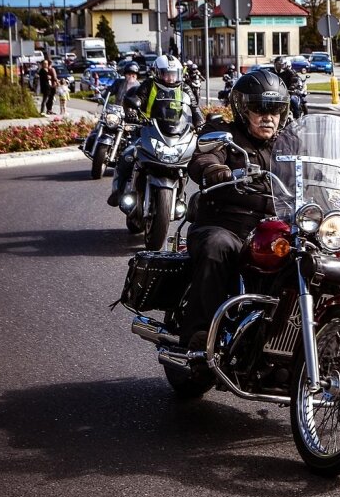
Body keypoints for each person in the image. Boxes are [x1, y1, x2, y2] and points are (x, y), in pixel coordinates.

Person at [179, 70, 290, 348]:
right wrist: (216, 169)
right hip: (227, 225)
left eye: (275, 110)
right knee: (218, 246)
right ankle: (200, 334)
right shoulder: (223, 134)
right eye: (259, 108)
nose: (268, 117)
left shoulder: (289, 143)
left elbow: (315, 168)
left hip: (275, 231)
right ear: (242, 108)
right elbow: (204, 158)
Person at [107, 54, 205, 207]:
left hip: (176, 133)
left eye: (174, 74)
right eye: (167, 74)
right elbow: (138, 98)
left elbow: (194, 108)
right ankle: (118, 192)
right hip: (147, 128)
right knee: (127, 155)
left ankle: (182, 197)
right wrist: (133, 112)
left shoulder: (184, 88)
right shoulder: (149, 84)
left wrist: (201, 123)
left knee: (192, 161)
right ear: (158, 73)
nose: (171, 78)